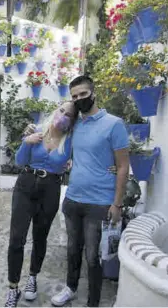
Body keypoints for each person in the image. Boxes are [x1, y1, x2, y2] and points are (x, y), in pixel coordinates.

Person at [49, 75, 130, 307]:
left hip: (100, 202)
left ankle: (93, 302)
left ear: (93, 93)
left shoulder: (114, 124)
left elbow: (123, 165)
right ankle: (70, 288)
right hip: (73, 198)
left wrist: (117, 203)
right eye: (74, 96)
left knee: (93, 257)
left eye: (83, 94)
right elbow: (54, 130)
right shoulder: (76, 125)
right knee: (73, 250)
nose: (79, 99)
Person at [4, 101, 77, 307]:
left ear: (73, 121)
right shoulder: (36, 131)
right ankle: (13, 288)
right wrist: (26, 142)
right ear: (55, 110)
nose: (63, 115)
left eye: (69, 114)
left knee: (40, 237)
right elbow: (19, 161)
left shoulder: (70, 140)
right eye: (61, 110)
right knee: (16, 239)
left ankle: (33, 277)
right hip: (26, 185)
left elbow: (76, 161)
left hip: (50, 189)